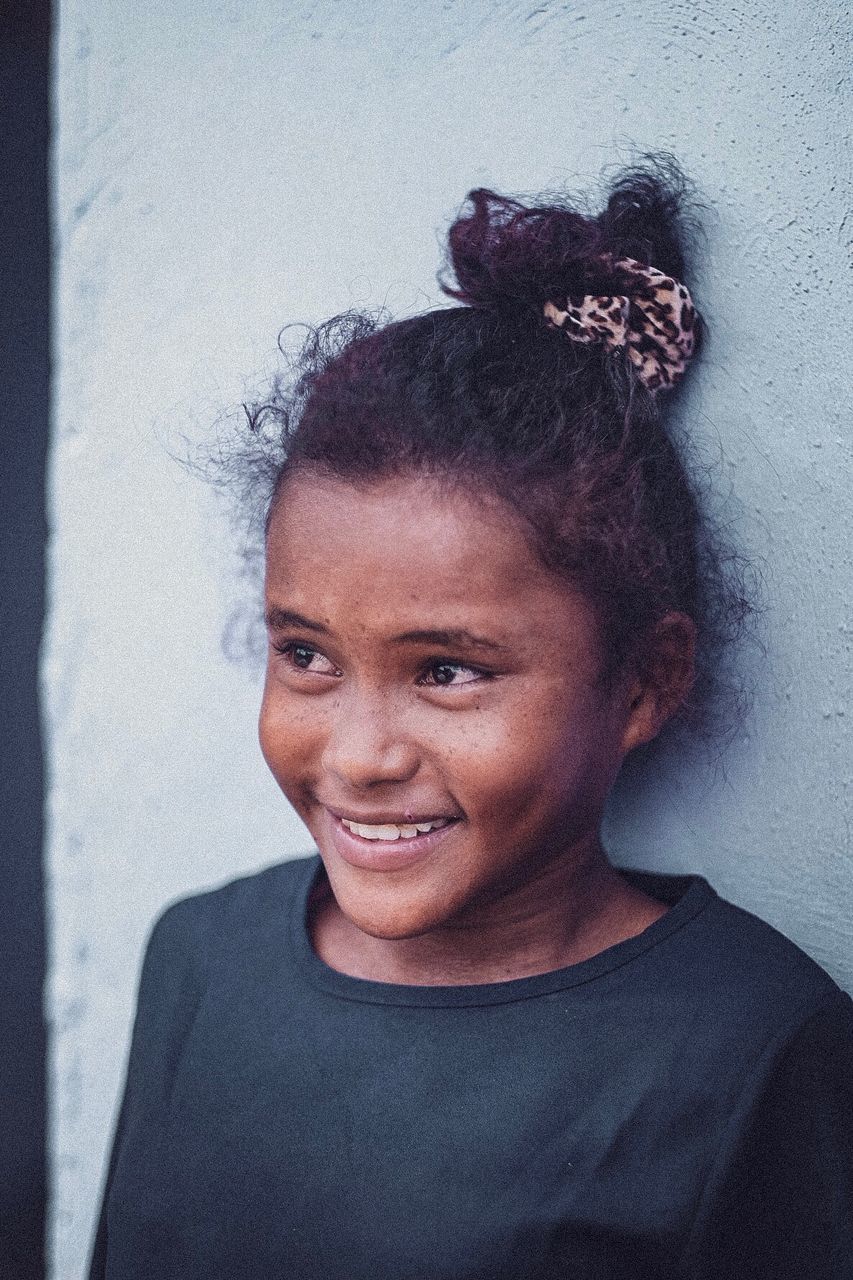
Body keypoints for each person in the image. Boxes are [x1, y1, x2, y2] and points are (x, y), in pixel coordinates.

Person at [88, 159, 853, 1279]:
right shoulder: (200, 959)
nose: (357, 753)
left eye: (446, 671)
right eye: (304, 653)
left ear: (643, 681)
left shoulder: (755, 1048)